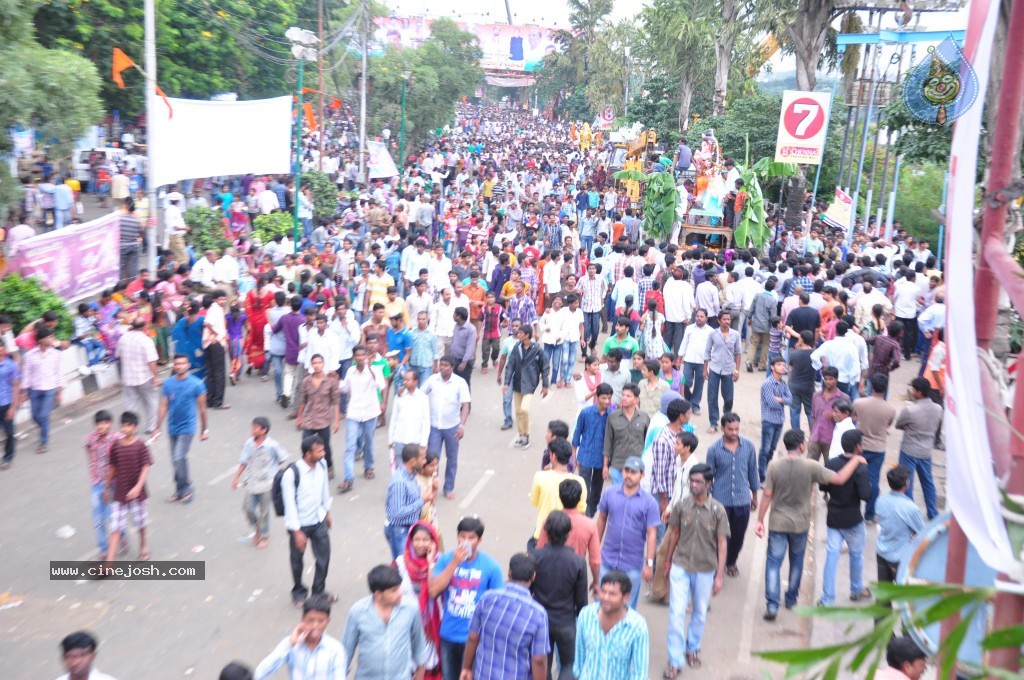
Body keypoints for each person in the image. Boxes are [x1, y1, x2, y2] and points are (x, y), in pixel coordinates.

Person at [754, 429, 867, 619]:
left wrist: (759, 520)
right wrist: (856, 460)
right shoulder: (811, 466)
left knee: (773, 563)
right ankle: (790, 599)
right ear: (801, 446)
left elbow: (767, 495)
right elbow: (839, 479)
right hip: (800, 523)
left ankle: (772, 605)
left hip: (777, 523)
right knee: (796, 561)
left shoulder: (774, 465)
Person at [660, 463, 728, 675]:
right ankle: (675, 660)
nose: (694, 485)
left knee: (699, 613)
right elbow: (674, 534)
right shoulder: (681, 506)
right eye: (692, 481)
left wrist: (719, 576)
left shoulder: (718, 510)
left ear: (709, 484)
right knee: (676, 614)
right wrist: (668, 561)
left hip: (705, 569)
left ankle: (692, 648)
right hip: (680, 566)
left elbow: (722, 543)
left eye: (699, 482)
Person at [429, 516, 504, 680]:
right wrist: (455, 563)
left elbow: (498, 605)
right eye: (462, 536)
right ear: (457, 536)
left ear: (480, 540)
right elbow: (433, 591)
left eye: (471, 538)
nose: (466, 541)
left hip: (475, 638)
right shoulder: (446, 559)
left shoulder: (491, 566)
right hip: (449, 634)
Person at [460, 553, 550, 680]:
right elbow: (538, 659)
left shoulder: (487, 598)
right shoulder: (538, 614)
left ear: (509, 573)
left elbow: (473, 637)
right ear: (533, 577)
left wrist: (466, 667)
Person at [342, 565, 428, 680]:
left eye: (399, 588)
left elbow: (419, 642)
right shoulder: (358, 612)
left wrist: (420, 672)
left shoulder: (410, 608)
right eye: (394, 591)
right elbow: (346, 650)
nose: (400, 593)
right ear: (378, 594)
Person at [596, 456, 660, 610]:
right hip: (607, 559)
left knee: (627, 607)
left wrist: (649, 564)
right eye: (626, 471)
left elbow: (652, 534)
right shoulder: (609, 493)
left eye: (633, 472)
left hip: (632, 564)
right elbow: (602, 519)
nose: (628, 475)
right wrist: (595, 548)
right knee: (601, 603)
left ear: (642, 475)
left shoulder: (649, 502)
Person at [531, 511, 589, 680]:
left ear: (546, 531)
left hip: (541, 621)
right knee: (569, 665)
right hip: (566, 622)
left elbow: (530, 589)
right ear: (568, 532)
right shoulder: (577, 562)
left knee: (543, 664)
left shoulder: (535, 557)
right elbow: (581, 600)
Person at [820, 429, 872, 606]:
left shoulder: (832, 463)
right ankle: (856, 589)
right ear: (858, 446)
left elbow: (823, 487)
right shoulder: (861, 468)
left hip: (833, 517)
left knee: (831, 557)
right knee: (856, 555)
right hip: (853, 519)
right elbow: (865, 495)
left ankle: (827, 598)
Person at [705, 412, 759, 577]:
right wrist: (707, 499)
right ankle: (717, 565)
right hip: (720, 501)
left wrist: (754, 496)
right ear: (722, 428)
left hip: (742, 500)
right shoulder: (713, 450)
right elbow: (708, 477)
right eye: (730, 429)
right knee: (720, 536)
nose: (734, 432)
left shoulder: (749, 447)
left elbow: (753, 472)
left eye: (736, 429)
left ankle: (731, 562)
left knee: (738, 536)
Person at [282, 435, 334, 607]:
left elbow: (324, 489)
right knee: (297, 561)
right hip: (300, 525)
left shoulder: (322, 465)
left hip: (318, 519)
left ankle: (319, 591)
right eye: (319, 451)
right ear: (308, 453)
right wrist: (296, 532)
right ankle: (298, 592)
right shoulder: (291, 474)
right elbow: (289, 504)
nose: (323, 453)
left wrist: (327, 512)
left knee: (323, 558)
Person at [572, 571, 649, 680]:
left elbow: (639, 673)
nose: (605, 598)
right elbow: (579, 658)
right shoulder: (586, 616)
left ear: (625, 597)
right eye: (603, 592)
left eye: (612, 594)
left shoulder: (637, 626)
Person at [154, 354, 209, 504]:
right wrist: (157, 427)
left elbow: (202, 408)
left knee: (179, 458)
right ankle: (179, 491)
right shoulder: (168, 384)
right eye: (176, 364)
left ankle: (186, 489)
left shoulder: (197, 384)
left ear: (188, 365)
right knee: (176, 460)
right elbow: (164, 405)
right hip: (172, 427)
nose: (179, 366)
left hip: (188, 427)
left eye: (182, 363)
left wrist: (204, 430)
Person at [254, 594, 346, 679]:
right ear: (302, 619)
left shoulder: (336, 649)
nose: (315, 625)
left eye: (321, 621)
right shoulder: (292, 644)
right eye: (310, 620)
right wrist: (290, 643)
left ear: (328, 621)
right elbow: (259, 674)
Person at [395, 522, 444, 679]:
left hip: (434, 622)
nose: (421, 544)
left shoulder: (442, 562)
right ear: (410, 540)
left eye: (425, 540)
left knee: (432, 663)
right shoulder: (400, 564)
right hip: (408, 623)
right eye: (417, 539)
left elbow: (435, 591)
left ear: (433, 541)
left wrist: (431, 564)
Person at [231, 417, 287, 549]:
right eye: (252, 427)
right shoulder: (249, 444)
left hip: (267, 484)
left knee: (264, 512)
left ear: (264, 430)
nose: (253, 430)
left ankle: (264, 536)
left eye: (256, 428)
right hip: (251, 481)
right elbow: (244, 461)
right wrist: (236, 478)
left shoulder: (272, 445)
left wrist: (279, 476)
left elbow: (282, 459)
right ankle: (258, 528)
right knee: (248, 508)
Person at [104, 411, 152, 563]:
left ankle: (143, 545)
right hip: (120, 491)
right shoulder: (116, 446)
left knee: (140, 523)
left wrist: (138, 486)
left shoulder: (140, 445)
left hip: (137, 492)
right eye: (123, 426)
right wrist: (106, 486)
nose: (125, 429)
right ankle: (109, 563)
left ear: (135, 427)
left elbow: (146, 466)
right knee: (115, 526)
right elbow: (112, 467)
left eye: (128, 426)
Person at [422, 356, 472, 499]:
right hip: (434, 427)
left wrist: (461, 426)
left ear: (452, 367)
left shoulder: (459, 383)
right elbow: (420, 394)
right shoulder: (433, 380)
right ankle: (432, 486)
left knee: (452, 458)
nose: (442, 368)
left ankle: (449, 487)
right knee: (432, 459)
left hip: (452, 427)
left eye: (445, 365)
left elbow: (465, 406)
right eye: (441, 365)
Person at [338, 345, 385, 493]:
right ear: (354, 357)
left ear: (366, 356)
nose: (360, 358)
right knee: (350, 446)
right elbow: (345, 388)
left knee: (369, 442)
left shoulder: (374, 370)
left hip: (370, 412)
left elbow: (381, 385)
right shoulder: (351, 371)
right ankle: (348, 478)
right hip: (354, 412)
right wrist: (335, 381)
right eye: (357, 355)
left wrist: (370, 370)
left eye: (362, 355)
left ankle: (368, 466)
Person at [895, 377, 943, 520]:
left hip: (909, 449)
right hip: (926, 451)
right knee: (928, 482)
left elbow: (898, 425)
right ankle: (932, 512)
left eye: (914, 390)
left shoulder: (910, 410)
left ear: (919, 392)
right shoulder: (938, 408)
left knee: (906, 483)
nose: (912, 392)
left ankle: (909, 513)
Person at [853, 374, 897, 523]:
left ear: (871, 386)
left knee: (854, 477)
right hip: (878, 447)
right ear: (885, 389)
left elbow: (854, 417)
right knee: (873, 480)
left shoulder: (859, 403)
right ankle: (870, 514)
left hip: (860, 445)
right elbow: (888, 425)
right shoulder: (890, 409)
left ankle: (853, 510)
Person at [529, 438, 587, 548]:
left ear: (553, 456)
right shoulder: (580, 482)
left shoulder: (540, 476)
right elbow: (581, 511)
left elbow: (535, 501)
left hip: (542, 535)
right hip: (567, 537)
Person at [875, 465, 925, 586]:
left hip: (881, 552)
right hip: (899, 558)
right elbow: (924, 532)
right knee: (905, 597)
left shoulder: (880, 500)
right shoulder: (910, 508)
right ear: (906, 484)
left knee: (884, 596)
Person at [572, 383, 613, 516]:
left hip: (602, 459)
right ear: (597, 396)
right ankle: (585, 516)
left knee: (597, 490)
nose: (606, 401)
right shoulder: (586, 413)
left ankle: (591, 513)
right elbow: (577, 434)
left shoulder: (612, 416)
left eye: (609, 398)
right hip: (585, 456)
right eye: (603, 398)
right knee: (585, 490)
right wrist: (574, 456)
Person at [296, 354, 341, 476]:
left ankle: (329, 466)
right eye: (314, 363)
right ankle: (307, 467)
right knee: (305, 446)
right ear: (311, 365)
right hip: (309, 419)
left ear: (323, 364)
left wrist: (336, 421)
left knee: (324, 446)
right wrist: (299, 417)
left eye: (319, 363)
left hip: (323, 420)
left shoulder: (330, 382)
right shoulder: (306, 382)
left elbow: (336, 402)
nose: (317, 365)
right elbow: (303, 401)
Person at [22, 326, 63, 453]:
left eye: (51, 336)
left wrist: (59, 392)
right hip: (34, 389)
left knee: (43, 415)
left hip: (49, 389)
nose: (51, 339)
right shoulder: (29, 355)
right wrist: (24, 391)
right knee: (34, 416)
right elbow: (27, 373)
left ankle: (43, 442)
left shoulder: (56, 354)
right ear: (40, 340)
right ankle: (44, 428)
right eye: (48, 337)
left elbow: (58, 373)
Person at [386, 444, 430, 559]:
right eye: (423, 458)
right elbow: (398, 512)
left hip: (409, 527)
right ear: (413, 461)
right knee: (402, 566)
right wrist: (422, 501)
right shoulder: (400, 482)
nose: (425, 461)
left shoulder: (411, 475)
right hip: (400, 530)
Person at [602, 384, 650, 487]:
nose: (624, 398)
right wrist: (605, 466)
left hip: (637, 467)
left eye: (628, 396)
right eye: (623, 395)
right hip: (618, 466)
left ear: (636, 400)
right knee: (618, 499)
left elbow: (648, 443)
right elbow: (607, 443)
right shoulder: (613, 417)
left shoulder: (644, 418)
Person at [703, 309, 741, 433]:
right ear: (719, 321)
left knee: (729, 398)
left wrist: (737, 370)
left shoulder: (735, 335)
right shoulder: (713, 334)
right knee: (712, 397)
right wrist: (705, 369)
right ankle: (713, 423)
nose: (726, 322)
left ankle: (726, 419)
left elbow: (738, 353)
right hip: (714, 369)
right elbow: (707, 351)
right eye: (724, 319)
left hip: (728, 370)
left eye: (728, 319)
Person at [758, 357, 792, 482]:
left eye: (784, 365)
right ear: (772, 367)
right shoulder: (767, 384)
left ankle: (766, 471)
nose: (783, 367)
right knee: (765, 449)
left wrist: (780, 399)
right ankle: (761, 475)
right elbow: (772, 403)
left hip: (779, 420)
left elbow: (790, 400)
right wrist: (782, 400)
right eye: (779, 365)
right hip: (769, 420)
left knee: (771, 449)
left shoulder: (783, 384)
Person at [389, 369, 431, 470]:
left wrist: (423, 443)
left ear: (416, 381)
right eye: (404, 380)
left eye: (408, 380)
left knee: (415, 471)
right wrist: (391, 439)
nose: (405, 382)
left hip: (415, 441)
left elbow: (426, 421)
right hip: (399, 439)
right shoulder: (399, 396)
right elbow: (393, 418)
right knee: (400, 469)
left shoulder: (422, 398)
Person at [678, 309, 713, 415]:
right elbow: (684, 343)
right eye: (697, 316)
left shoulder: (711, 331)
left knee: (699, 384)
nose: (699, 318)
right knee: (686, 382)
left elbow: (712, 347)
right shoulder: (689, 328)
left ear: (706, 318)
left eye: (702, 317)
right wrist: (679, 358)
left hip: (702, 362)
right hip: (688, 359)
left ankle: (695, 405)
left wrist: (710, 362)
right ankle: (688, 400)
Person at [202, 290, 231, 409]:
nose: (223, 301)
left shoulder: (215, 309)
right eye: (220, 299)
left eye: (224, 299)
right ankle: (218, 401)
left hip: (209, 343)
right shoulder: (215, 309)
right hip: (216, 343)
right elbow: (207, 323)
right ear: (215, 300)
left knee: (211, 372)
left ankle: (210, 400)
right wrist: (217, 334)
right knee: (219, 373)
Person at [807, 366, 842, 462]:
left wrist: (834, 417)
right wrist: (811, 436)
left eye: (831, 379)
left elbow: (846, 421)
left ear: (837, 379)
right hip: (815, 438)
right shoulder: (816, 396)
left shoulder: (843, 398)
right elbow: (813, 417)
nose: (828, 382)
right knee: (809, 468)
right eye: (826, 379)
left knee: (830, 470)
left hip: (832, 441)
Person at [0, 342, 20, 469]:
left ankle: (8, 457)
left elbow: (16, 386)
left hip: (6, 403)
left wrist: (13, 407)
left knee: (9, 433)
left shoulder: (11, 365)